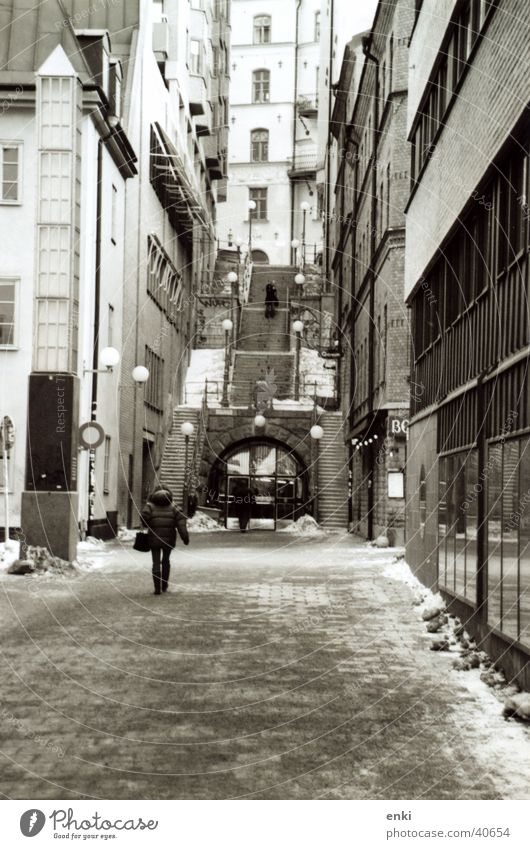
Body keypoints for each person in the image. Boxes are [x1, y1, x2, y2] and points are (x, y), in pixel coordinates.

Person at [141, 485, 189, 595]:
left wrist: (148, 524)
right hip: (169, 539)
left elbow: (144, 517)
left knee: (156, 562)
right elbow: (181, 524)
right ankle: (164, 585)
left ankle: (157, 588)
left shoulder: (150, 506)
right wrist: (185, 537)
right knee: (166, 561)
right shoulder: (174, 507)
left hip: (154, 538)